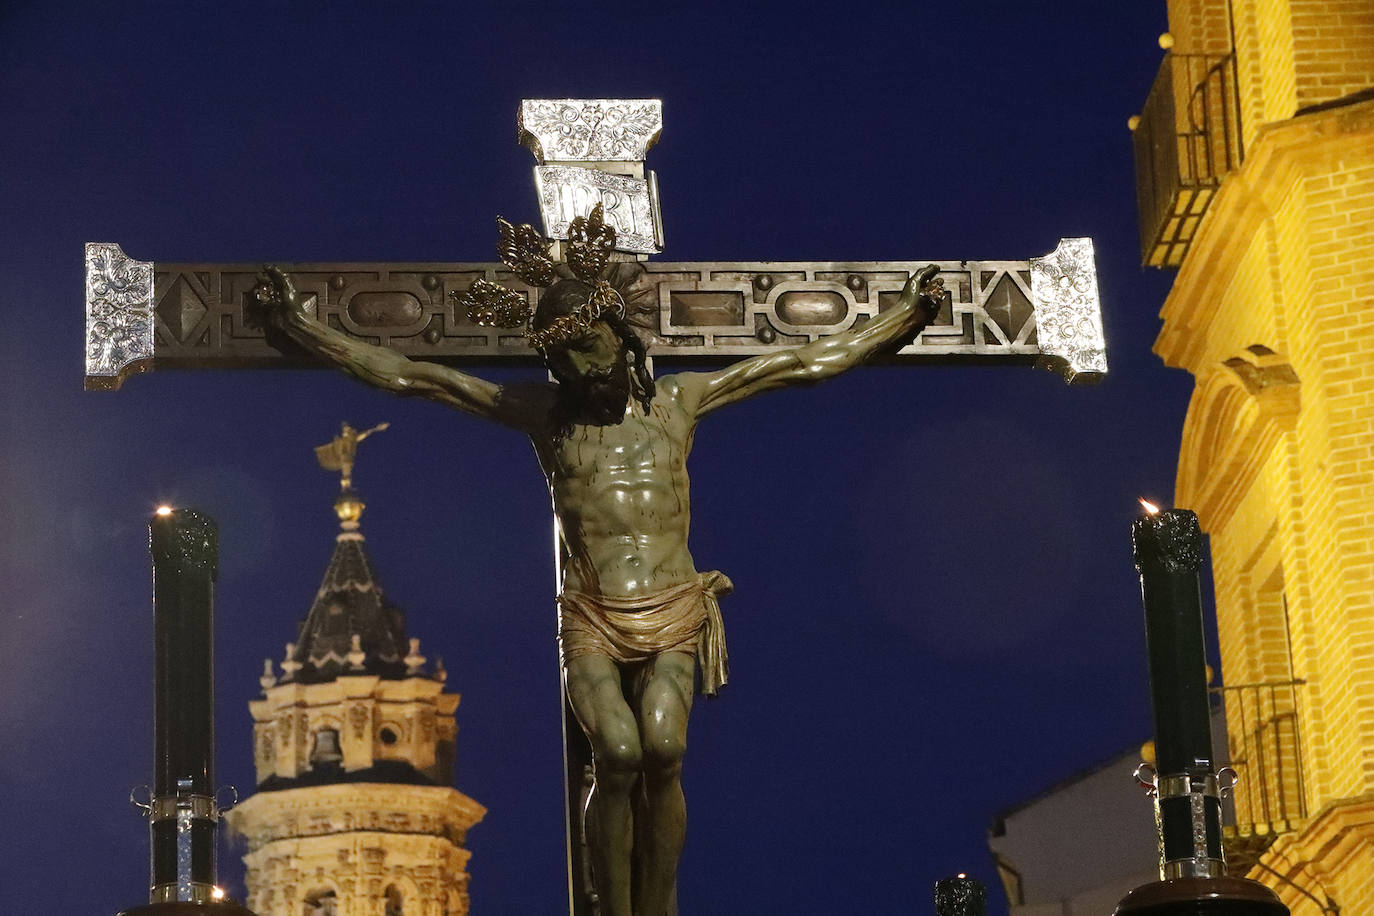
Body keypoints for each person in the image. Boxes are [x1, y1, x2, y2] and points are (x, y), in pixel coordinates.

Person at [256, 211, 945, 916]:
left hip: (673, 603)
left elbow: (799, 364)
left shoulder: (680, 403)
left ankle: (658, 904)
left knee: (664, 747)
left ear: (618, 334)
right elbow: (415, 377)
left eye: (589, 350)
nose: (584, 372)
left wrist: (904, 316)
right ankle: (614, 906)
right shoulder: (546, 417)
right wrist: (299, 326)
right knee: (616, 751)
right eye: (565, 364)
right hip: (591, 612)